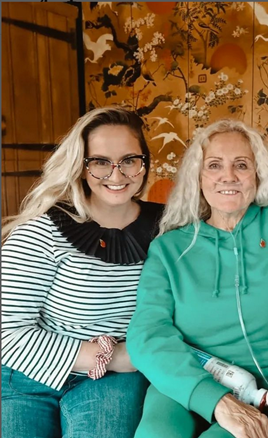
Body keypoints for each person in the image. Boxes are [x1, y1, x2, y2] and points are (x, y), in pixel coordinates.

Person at [126, 118, 268, 438]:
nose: (227, 176)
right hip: (189, 379)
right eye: (214, 165)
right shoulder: (170, 249)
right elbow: (147, 334)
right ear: (198, 177)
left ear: (258, 173)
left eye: (241, 165)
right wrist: (216, 401)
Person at [1, 107, 164, 438]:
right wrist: (109, 356)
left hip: (112, 380)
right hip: (28, 372)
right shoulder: (44, 230)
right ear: (81, 166)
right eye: (100, 162)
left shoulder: (169, 228)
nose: (116, 176)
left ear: (144, 163)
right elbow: (6, 331)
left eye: (129, 160)